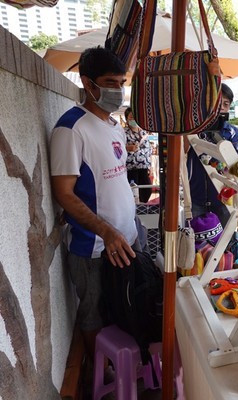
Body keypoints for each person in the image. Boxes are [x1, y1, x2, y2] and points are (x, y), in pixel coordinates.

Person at [49, 47, 138, 360]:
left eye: (121, 82)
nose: (117, 89)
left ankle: (120, 365)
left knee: (121, 307)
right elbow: (64, 193)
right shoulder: (71, 128)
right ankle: (104, 376)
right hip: (94, 249)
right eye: (109, 82)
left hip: (125, 240)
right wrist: (107, 231)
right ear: (88, 84)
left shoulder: (113, 125)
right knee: (93, 315)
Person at [185, 83, 238, 226]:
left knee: (225, 240)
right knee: (197, 241)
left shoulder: (232, 132)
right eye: (218, 103)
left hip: (223, 196)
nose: (222, 107)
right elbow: (184, 150)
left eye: (226, 103)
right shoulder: (193, 129)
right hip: (195, 196)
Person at [124, 107, 152, 203]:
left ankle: (143, 208)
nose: (133, 120)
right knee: (133, 192)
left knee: (147, 190)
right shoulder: (123, 133)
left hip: (144, 167)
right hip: (131, 168)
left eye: (135, 117)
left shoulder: (144, 132)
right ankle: (134, 210)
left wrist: (150, 166)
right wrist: (127, 148)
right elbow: (116, 148)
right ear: (126, 119)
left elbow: (149, 150)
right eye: (131, 117)